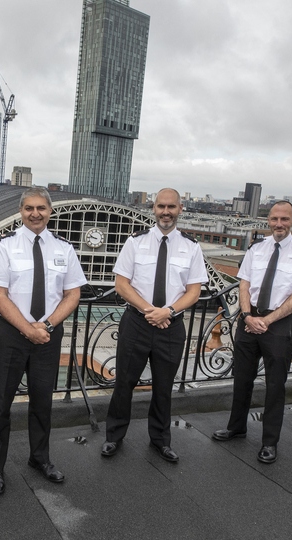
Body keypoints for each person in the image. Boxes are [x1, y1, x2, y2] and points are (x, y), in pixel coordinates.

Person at [0, 187, 87, 495]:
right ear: (21, 211)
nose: (35, 213)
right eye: (29, 208)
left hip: (48, 335)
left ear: (50, 211)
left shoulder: (64, 249)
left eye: (41, 208)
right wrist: (29, 329)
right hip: (11, 336)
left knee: (43, 403)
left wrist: (48, 325)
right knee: (0, 404)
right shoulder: (4, 247)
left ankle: (40, 458)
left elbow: (73, 294)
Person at [100, 188, 208, 462]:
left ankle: (160, 440)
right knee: (124, 382)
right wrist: (151, 311)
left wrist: (167, 312)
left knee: (164, 386)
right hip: (137, 323)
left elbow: (194, 292)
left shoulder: (191, 247)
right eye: (161, 206)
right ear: (153, 208)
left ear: (180, 209)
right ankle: (114, 436)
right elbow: (122, 285)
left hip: (171, 327)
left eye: (171, 206)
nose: (166, 212)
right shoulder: (135, 242)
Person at [212, 200, 292, 464]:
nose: (279, 224)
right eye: (274, 219)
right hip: (249, 320)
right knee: (242, 378)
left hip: (278, 323)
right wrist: (247, 316)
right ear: (268, 221)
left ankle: (270, 442)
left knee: (275, 385)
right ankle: (236, 427)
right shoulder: (256, 248)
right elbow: (244, 285)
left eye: (284, 219)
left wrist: (267, 320)